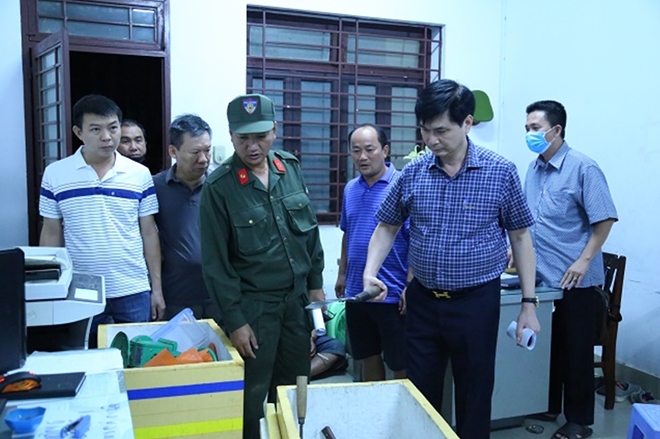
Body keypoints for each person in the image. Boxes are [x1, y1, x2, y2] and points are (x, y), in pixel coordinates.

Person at [362, 79, 541, 439]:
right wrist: (370, 272)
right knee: (420, 395)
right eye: (425, 130)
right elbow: (386, 227)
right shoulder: (413, 172)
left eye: (441, 130)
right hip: (423, 302)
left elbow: (520, 238)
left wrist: (528, 304)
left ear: (467, 123)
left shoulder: (500, 171)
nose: (431, 140)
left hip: (476, 303)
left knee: (475, 392)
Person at [200, 93, 325, 439]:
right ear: (231, 135)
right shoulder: (219, 188)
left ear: (275, 130)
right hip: (254, 310)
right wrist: (236, 321)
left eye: (261, 136)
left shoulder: (290, 168)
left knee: (295, 387)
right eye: (243, 138)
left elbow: (310, 234)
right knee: (252, 396)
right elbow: (215, 263)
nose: (252, 146)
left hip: (297, 303)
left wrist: (316, 286)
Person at [521, 100, 617, 439]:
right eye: (527, 128)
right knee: (548, 347)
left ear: (556, 130)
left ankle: (579, 421)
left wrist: (584, 260)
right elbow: (528, 221)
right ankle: (548, 404)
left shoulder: (583, 168)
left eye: (535, 128)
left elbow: (604, 220)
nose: (529, 134)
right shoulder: (534, 169)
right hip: (543, 280)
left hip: (576, 280)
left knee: (576, 352)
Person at [39, 94, 165, 348]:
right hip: (81, 288)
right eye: (96, 129)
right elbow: (51, 232)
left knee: (135, 360)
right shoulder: (56, 174)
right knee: (85, 357)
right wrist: (48, 288)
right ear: (78, 132)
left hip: (132, 288)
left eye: (113, 128)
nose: (107, 137)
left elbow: (149, 233)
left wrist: (157, 288)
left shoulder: (139, 175)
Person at [335, 123, 408, 381]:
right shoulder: (350, 189)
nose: (362, 157)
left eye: (369, 149)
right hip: (357, 292)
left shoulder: (402, 185)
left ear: (385, 150)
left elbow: (417, 239)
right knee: (367, 356)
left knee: (400, 361)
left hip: (393, 292)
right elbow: (348, 233)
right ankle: (375, 404)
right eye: (356, 150)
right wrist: (342, 274)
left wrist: (410, 285)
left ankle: (403, 406)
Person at [152, 114, 222, 324]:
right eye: (195, 152)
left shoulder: (221, 186)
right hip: (175, 297)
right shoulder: (155, 187)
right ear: (173, 151)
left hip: (218, 296)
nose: (203, 159)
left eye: (207, 150)